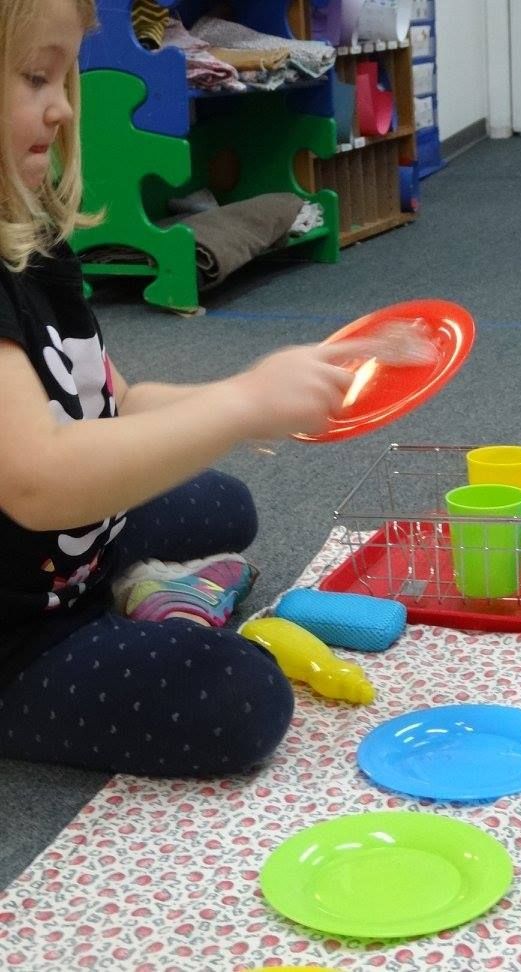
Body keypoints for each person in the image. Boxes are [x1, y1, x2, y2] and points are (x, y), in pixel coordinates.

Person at [0, 0, 386, 777]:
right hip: (17, 637)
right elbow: (38, 481)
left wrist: (250, 395)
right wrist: (239, 406)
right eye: (36, 77)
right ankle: (105, 607)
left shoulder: (32, 239)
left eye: (65, 76)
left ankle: (114, 584)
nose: (64, 105)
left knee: (223, 502)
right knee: (241, 698)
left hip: (59, 556)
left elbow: (118, 405)